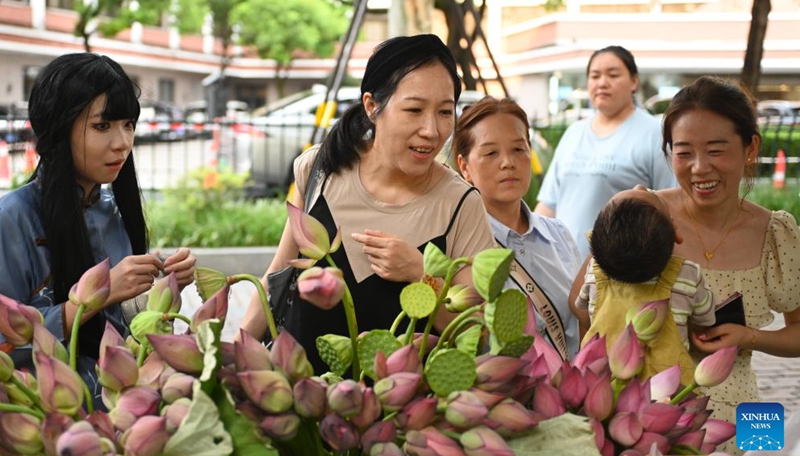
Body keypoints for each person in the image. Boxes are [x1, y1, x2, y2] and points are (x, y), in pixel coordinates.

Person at [239, 34, 496, 373]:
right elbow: (277, 277)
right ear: (372, 106)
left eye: (445, 112)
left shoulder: (461, 204)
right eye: (414, 110)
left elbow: (475, 332)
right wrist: (230, 356)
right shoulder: (318, 170)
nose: (432, 131)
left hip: (401, 415)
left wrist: (419, 273)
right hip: (300, 401)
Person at [0, 53, 197, 404]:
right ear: (59, 129)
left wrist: (164, 286)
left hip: (118, 408)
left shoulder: (111, 213)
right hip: (44, 413)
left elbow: (120, 325)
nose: (122, 142)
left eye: (128, 125)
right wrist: (98, 294)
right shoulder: (13, 218)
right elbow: (7, 342)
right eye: (102, 126)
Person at [657, 75, 800, 454]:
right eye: (683, 152)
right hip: (652, 421)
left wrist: (748, 337)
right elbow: (581, 303)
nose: (699, 168)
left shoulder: (776, 233)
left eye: (716, 150)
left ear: (750, 147)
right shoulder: (646, 215)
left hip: (747, 415)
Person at [453, 96, 582, 359]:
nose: (508, 162)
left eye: (518, 149)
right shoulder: (457, 248)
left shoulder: (559, 235)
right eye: (491, 153)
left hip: (570, 394)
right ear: (464, 167)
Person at [535, 45, 675, 259]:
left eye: (613, 74)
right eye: (595, 76)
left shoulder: (654, 133)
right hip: (561, 270)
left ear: (634, 81)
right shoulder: (574, 132)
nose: (602, 83)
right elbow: (548, 205)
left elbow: (672, 204)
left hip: (622, 273)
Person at [576, 186, 715, 385]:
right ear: (676, 233)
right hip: (670, 391)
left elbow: (584, 308)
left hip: (602, 384)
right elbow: (706, 319)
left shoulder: (595, 271)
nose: (639, 186)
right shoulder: (688, 274)